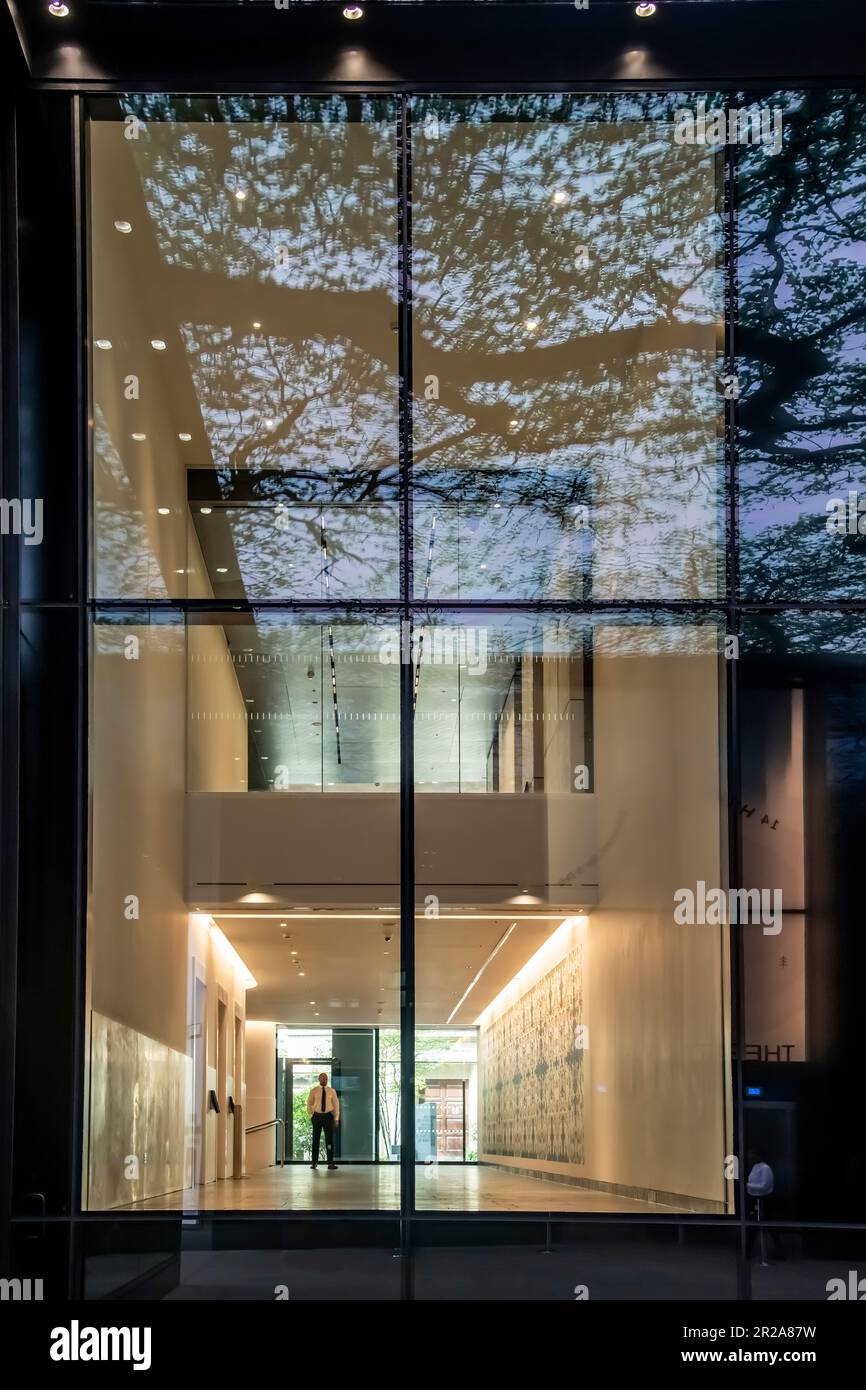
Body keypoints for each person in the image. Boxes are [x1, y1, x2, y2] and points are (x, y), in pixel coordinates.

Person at [306, 1071, 340, 1170]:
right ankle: (314, 1163)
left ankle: (330, 1163)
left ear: (327, 1079)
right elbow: (309, 1103)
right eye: (322, 1078)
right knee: (315, 1140)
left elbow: (336, 1105)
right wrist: (311, 1115)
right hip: (316, 1117)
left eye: (326, 1078)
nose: (324, 1079)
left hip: (328, 1117)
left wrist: (336, 1118)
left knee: (329, 1140)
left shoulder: (332, 1091)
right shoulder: (314, 1091)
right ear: (319, 1079)